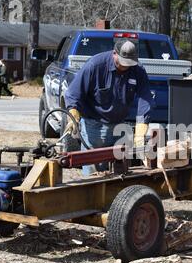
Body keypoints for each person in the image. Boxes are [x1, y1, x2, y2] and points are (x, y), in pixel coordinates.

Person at [65, 40, 153, 175]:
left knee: (119, 172)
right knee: (92, 174)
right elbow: (74, 93)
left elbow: (145, 99)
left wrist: (141, 127)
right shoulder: (95, 65)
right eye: (123, 62)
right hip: (94, 126)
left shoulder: (137, 70)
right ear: (114, 54)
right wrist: (73, 113)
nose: (125, 66)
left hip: (120, 126)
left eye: (129, 63)